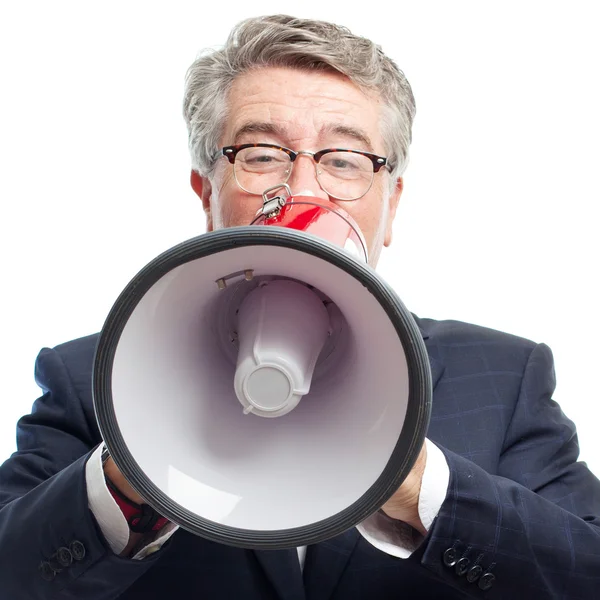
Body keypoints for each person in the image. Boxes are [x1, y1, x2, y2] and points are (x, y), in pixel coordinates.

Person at [0, 14, 598, 600]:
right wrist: (127, 481)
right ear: (206, 191)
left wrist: (424, 489)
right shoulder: (93, 381)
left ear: (392, 204)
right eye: (262, 154)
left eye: (344, 160)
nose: (307, 190)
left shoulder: (504, 377)